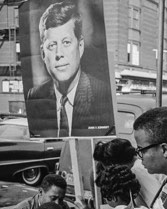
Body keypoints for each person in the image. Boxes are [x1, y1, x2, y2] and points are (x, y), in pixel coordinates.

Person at [26, 0, 114, 138]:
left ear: (80, 46)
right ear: (43, 53)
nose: (59, 53)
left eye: (66, 42)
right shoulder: (35, 97)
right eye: (52, 45)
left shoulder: (103, 94)